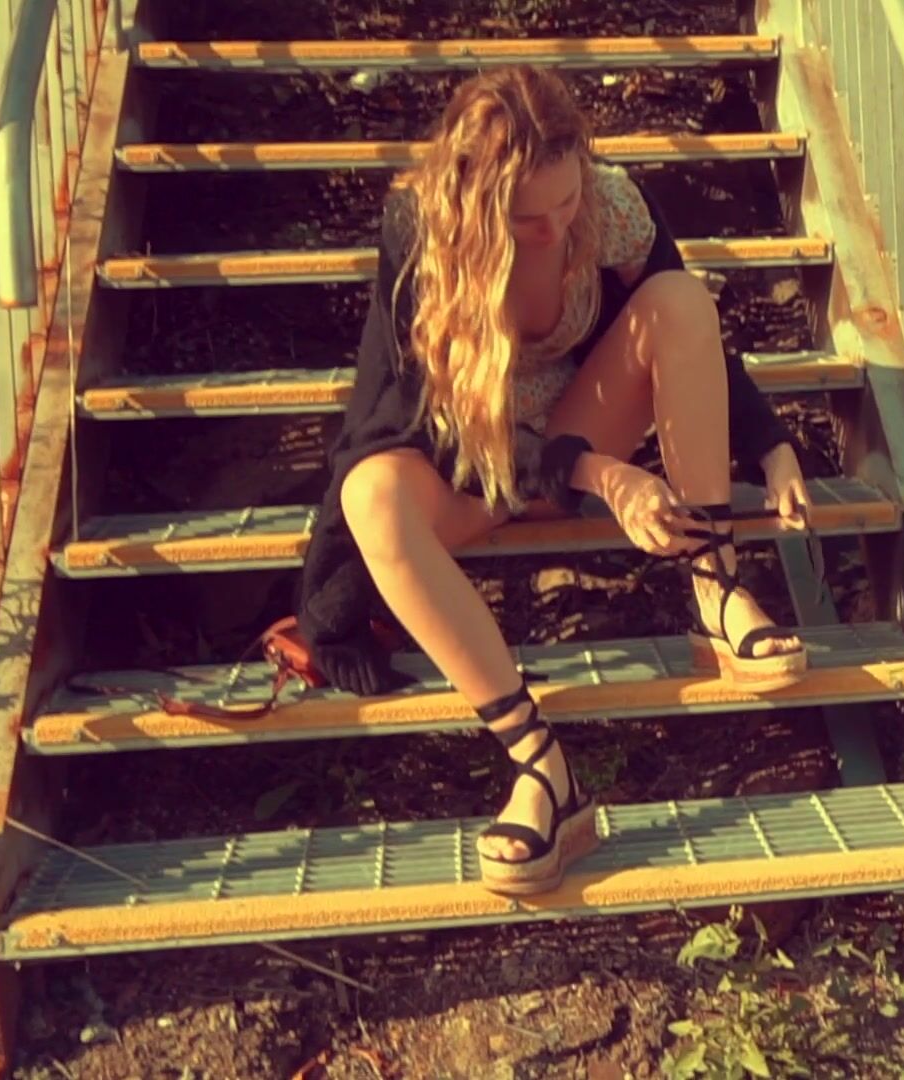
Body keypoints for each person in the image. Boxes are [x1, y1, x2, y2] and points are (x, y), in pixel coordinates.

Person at [294, 66, 816, 896]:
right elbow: (427, 424)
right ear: (475, 201)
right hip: (469, 472)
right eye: (525, 217)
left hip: (573, 438)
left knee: (681, 297)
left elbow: (693, 335)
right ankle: (543, 769)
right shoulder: (422, 235)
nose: (552, 229)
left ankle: (717, 588)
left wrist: (771, 445)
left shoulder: (609, 207)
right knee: (370, 495)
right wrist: (602, 476)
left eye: (565, 202)